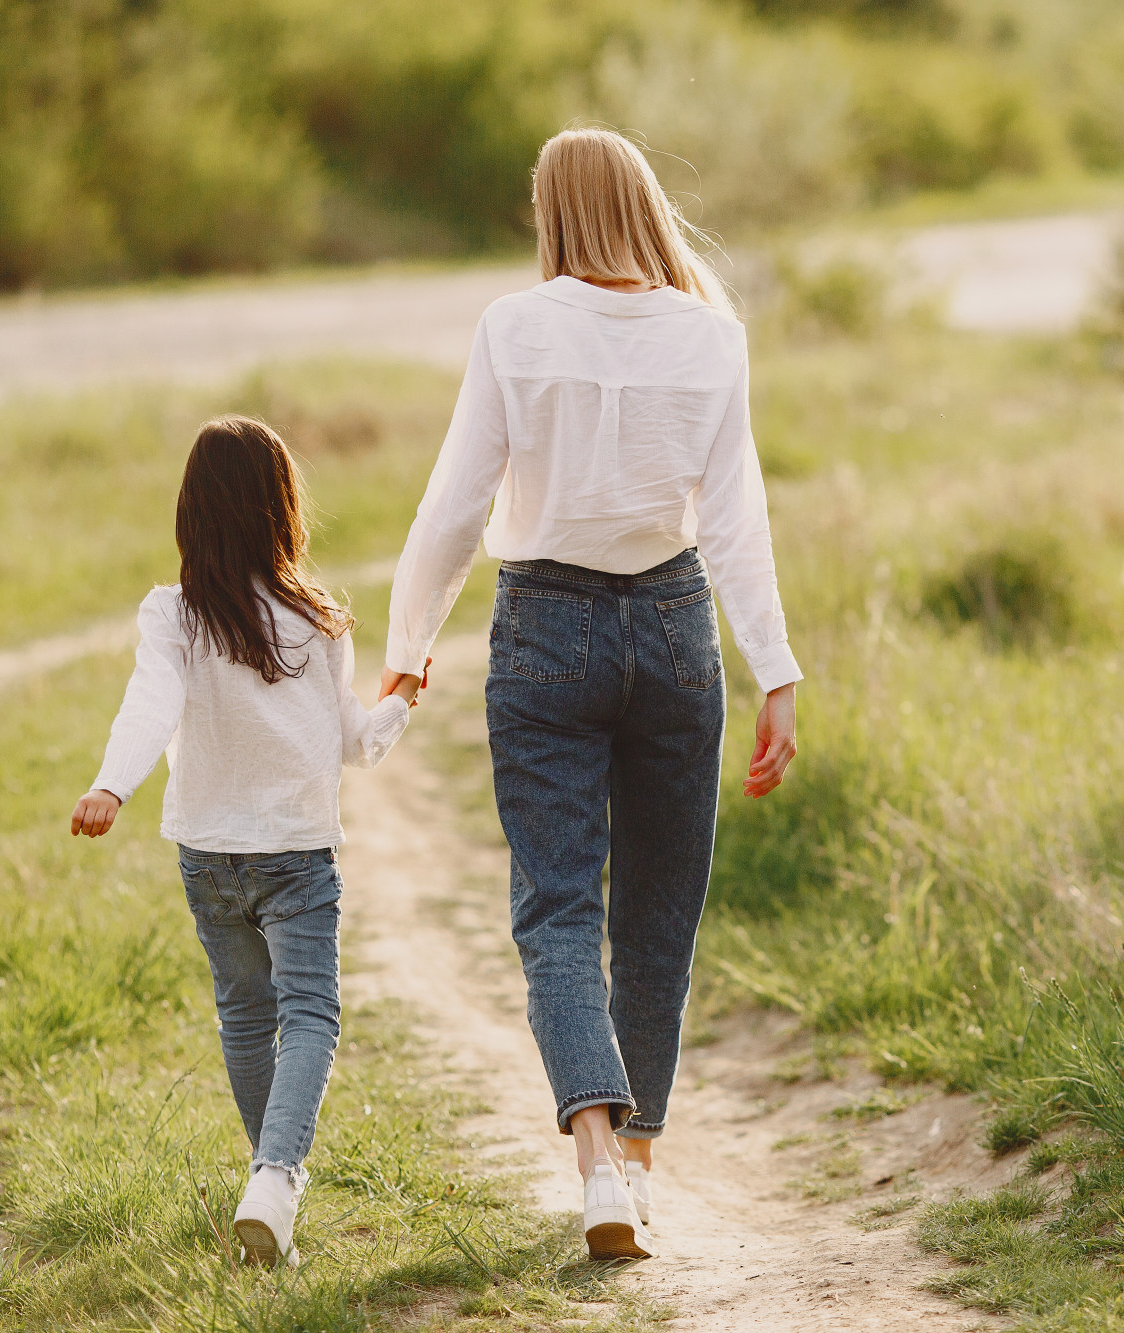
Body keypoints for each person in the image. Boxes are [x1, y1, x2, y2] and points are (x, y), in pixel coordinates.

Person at [380, 128, 801, 1261]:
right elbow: (735, 522)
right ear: (644, 203)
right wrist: (776, 671)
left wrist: (408, 639)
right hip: (675, 628)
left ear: (553, 213)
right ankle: (639, 1170)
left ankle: (600, 1166)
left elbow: (455, 501)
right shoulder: (711, 335)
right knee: (657, 914)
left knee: (557, 909)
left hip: (548, 629)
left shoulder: (514, 328)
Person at [68, 415, 424, 1268]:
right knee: (310, 1012)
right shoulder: (318, 618)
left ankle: (270, 1191)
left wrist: (111, 783)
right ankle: (274, 1180)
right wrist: (402, 700)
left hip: (207, 848)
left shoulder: (173, 614)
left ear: (193, 514)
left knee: (245, 1010)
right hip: (297, 851)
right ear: (283, 508)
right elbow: (351, 741)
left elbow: (149, 705)